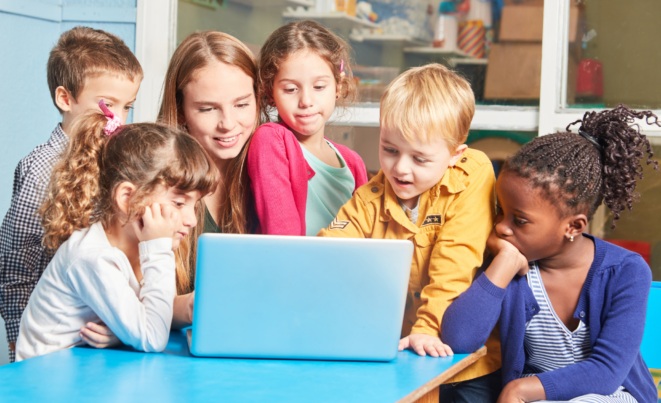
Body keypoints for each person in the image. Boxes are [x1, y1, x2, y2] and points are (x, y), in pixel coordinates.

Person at [442, 105, 658, 403]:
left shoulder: (626, 271)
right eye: (500, 211)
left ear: (573, 227)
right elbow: (458, 339)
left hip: (609, 396)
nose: (501, 227)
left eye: (519, 220)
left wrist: (519, 389)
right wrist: (502, 265)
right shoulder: (512, 260)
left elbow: (607, 372)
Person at [317, 64, 502, 402]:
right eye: (390, 150)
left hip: (468, 360)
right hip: (406, 356)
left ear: (455, 155)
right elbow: (328, 255)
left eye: (420, 158)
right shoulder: (368, 199)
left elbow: (455, 262)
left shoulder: (473, 173)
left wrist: (428, 327)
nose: (400, 168)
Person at [14, 105, 218, 361]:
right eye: (178, 203)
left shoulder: (134, 245)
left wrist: (187, 308)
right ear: (127, 198)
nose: (191, 220)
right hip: (45, 376)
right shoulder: (93, 258)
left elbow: (150, 315)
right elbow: (153, 336)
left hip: (88, 367)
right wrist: (158, 250)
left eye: (194, 205)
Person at [0, 26, 142, 361]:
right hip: (50, 345)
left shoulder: (116, 163)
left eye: (127, 107)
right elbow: (16, 266)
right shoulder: (41, 169)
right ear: (65, 99)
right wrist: (20, 340)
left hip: (98, 341)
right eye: (108, 104)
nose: (118, 119)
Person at [156, 31, 260, 328]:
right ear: (180, 111)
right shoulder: (153, 182)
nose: (228, 123)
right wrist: (184, 308)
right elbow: (127, 301)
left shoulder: (267, 173)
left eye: (241, 104)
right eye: (207, 108)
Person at [248, 20, 368, 236]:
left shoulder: (353, 163)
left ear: (338, 86)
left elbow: (366, 234)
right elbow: (282, 235)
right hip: (294, 259)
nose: (306, 101)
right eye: (290, 89)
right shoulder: (271, 141)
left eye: (319, 86)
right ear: (270, 91)